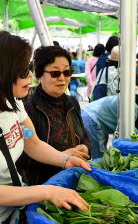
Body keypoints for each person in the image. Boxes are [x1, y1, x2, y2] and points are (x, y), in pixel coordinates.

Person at [0, 31, 91, 224]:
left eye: (30, 67)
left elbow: (32, 143)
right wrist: (47, 191)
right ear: (1, 71)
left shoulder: (12, 101)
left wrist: (64, 159)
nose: (31, 74)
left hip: (15, 203)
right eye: (24, 69)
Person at [18, 46, 91, 185]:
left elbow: (85, 136)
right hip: (41, 187)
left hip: (73, 182)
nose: (62, 78)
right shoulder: (27, 107)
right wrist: (63, 158)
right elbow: (20, 157)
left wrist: (84, 149)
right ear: (39, 75)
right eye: (55, 73)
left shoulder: (72, 102)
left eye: (67, 72)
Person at [81, 93, 138, 159]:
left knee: (100, 152)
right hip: (92, 119)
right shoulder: (132, 106)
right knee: (99, 156)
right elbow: (129, 128)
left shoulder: (124, 99)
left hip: (87, 115)